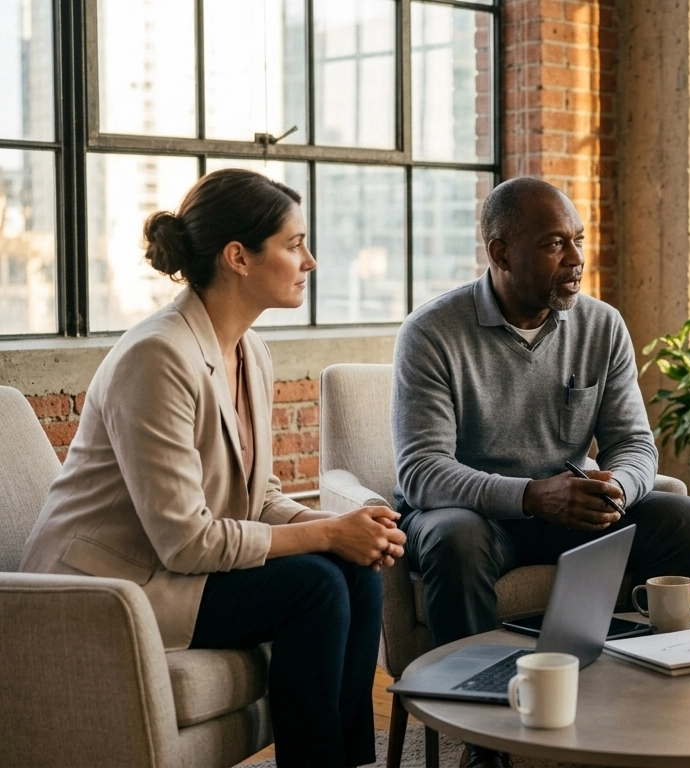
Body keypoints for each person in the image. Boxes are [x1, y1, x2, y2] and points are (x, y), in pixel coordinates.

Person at [19, 169, 404, 767]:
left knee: (354, 571)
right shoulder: (158, 356)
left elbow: (262, 495)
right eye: (293, 243)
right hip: (113, 586)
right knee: (317, 584)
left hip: (176, 569)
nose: (311, 260)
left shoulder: (251, 350)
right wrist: (326, 532)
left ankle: (347, 760)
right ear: (237, 257)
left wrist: (345, 527)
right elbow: (184, 541)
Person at [392, 177, 690, 767]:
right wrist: (533, 495)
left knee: (682, 519)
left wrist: (619, 485)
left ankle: (644, 709)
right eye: (554, 244)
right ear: (500, 252)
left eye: (579, 241)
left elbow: (636, 444)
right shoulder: (432, 333)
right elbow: (422, 472)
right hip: (477, 516)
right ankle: (485, 742)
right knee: (452, 536)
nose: (576, 259)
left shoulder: (601, 325)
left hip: (565, 506)